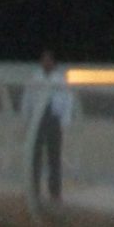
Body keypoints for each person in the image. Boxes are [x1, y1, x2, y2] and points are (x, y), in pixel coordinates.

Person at [29, 51, 72, 203]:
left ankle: (55, 193)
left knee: (54, 156)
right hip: (38, 118)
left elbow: (68, 100)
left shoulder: (60, 80)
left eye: (49, 60)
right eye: (44, 60)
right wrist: (27, 119)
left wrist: (64, 121)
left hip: (54, 118)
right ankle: (34, 190)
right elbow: (28, 98)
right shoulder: (35, 77)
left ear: (54, 63)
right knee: (35, 155)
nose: (46, 63)